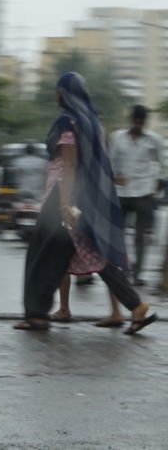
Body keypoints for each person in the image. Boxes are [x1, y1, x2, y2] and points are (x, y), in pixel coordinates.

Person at [16, 72, 157, 334]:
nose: (56, 95)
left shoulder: (68, 121)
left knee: (41, 254)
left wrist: (64, 204)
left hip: (65, 195)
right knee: (92, 252)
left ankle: (37, 316)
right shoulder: (92, 121)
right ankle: (135, 306)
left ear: (65, 93)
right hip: (88, 197)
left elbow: (69, 164)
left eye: (58, 90)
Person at [108, 104, 165, 285]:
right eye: (136, 121)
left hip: (145, 192)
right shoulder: (117, 138)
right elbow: (110, 162)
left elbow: (163, 163)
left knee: (142, 236)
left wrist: (158, 181)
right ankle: (123, 268)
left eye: (142, 122)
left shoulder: (154, 140)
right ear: (131, 120)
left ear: (145, 122)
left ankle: (138, 273)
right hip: (122, 192)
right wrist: (115, 177)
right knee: (118, 234)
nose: (138, 125)